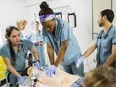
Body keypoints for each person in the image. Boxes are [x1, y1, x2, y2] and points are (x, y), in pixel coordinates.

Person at [38, 1, 84, 77]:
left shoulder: (63, 25)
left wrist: (55, 66)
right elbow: (49, 47)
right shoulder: (44, 30)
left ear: (53, 19)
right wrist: (52, 65)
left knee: (78, 80)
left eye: (49, 26)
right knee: (68, 79)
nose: (47, 29)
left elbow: (64, 46)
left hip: (75, 58)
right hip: (64, 59)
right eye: (44, 26)